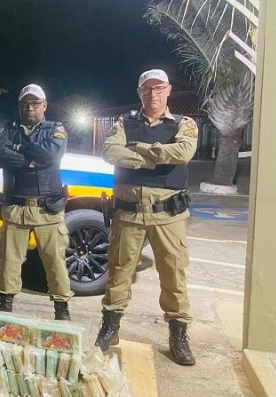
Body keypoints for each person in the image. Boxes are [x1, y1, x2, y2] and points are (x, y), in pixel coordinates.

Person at [94, 69, 198, 366]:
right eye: (147, 89)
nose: (153, 94)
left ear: (168, 90)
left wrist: (138, 150)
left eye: (159, 88)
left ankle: (178, 336)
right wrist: (157, 158)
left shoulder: (184, 124)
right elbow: (110, 152)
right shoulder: (124, 123)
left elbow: (184, 152)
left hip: (168, 215)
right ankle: (110, 328)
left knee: (174, 276)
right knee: (118, 273)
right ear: (139, 92)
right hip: (129, 214)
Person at [0, 83, 73, 320]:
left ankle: (62, 310)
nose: (30, 108)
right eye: (25, 103)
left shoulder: (55, 129)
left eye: (35, 103)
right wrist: (29, 160)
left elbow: (50, 156)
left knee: (54, 261)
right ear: (19, 106)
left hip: (47, 208)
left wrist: (17, 148)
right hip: (15, 207)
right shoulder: (8, 128)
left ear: (44, 105)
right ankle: (5, 308)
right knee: (9, 262)